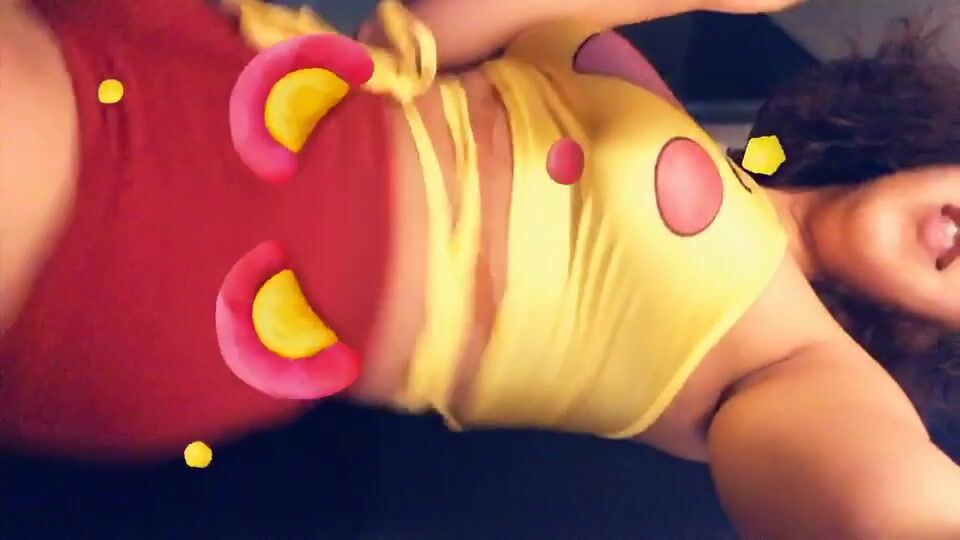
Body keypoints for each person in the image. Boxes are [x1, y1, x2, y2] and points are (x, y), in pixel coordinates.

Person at [1, 0, 958, 537]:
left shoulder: (803, 367)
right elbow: (423, 29)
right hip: (201, 49)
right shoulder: (707, 150)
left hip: (220, 240)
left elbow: (886, 511)